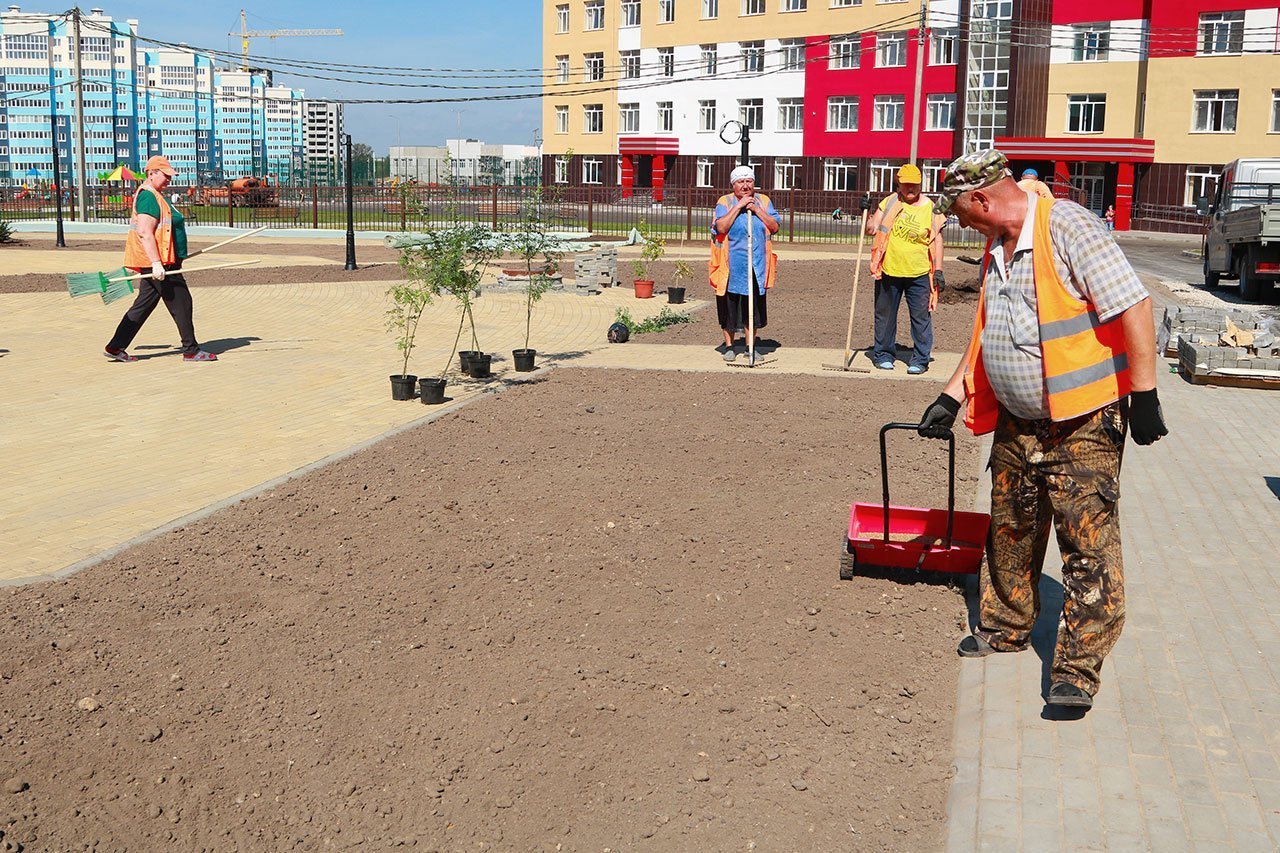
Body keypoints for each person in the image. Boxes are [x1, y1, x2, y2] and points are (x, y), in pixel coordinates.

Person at [917, 149, 1168, 710]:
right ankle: (1005, 627)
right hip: (1017, 423)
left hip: (1082, 420)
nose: (956, 221)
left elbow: (1134, 305)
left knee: (1088, 544)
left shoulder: (1067, 226)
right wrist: (952, 394)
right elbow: (990, 329)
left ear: (981, 197)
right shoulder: (996, 246)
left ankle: (1076, 671)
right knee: (1011, 531)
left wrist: (1146, 393)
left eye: (958, 210)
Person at [104, 156, 217, 363]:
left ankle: (115, 346)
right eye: (165, 175)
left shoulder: (157, 195)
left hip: (164, 261)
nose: (169, 180)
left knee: (144, 305)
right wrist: (156, 263)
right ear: (152, 173)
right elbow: (145, 232)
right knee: (182, 302)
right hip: (161, 264)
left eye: (170, 176)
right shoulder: (148, 196)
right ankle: (191, 350)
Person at [866, 163, 945, 374]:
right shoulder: (890, 202)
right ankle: (883, 354)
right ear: (898, 184)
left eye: (914, 185)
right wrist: (866, 212)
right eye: (906, 185)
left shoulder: (931, 208)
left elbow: (937, 241)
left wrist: (939, 269)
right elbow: (872, 229)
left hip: (918, 273)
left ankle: (920, 359)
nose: (910, 189)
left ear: (921, 184)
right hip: (889, 270)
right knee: (885, 315)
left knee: (921, 317)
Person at [711, 165, 779, 366]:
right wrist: (739, 207)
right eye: (741, 182)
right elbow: (721, 227)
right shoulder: (725, 202)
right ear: (734, 185)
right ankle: (730, 346)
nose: (745, 185)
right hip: (730, 264)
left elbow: (774, 226)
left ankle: (751, 345)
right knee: (729, 306)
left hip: (756, 263)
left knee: (753, 307)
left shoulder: (763, 201)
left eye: (748, 181)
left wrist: (756, 209)